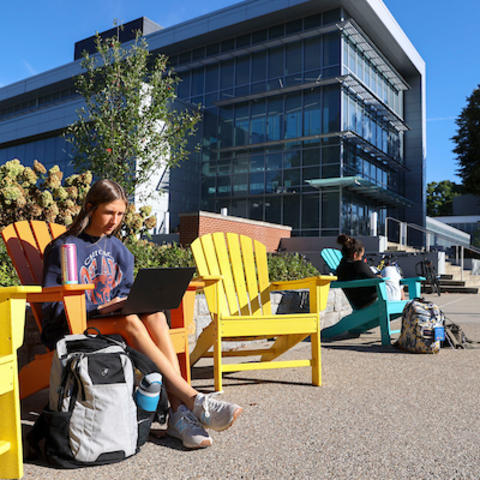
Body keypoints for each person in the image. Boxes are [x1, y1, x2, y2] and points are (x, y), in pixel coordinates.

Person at [42, 179, 242, 449]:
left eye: (121, 214)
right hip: (76, 324)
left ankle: (178, 412)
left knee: (156, 315)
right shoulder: (65, 248)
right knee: (130, 321)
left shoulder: (120, 251)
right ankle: (193, 400)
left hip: (114, 321)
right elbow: (52, 307)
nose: (115, 220)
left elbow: (125, 293)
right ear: (90, 207)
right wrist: (98, 308)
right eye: (108, 212)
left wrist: (126, 301)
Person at [335, 234, 378, 310]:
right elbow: (376, 280)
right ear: (355, 255)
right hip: (369, 302)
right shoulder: (358, 265)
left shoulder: (340, 268)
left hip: (357, 303)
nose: (361, 259)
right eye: (361, 256)